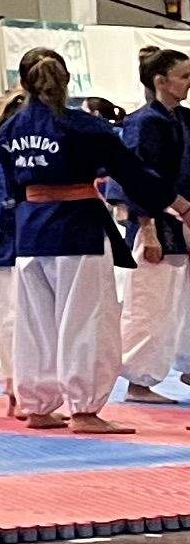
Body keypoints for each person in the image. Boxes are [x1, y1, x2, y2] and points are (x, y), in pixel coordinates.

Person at [0, 48, 134, 432]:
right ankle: (84, 410)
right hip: (78, 229)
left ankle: (37, 406)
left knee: (35, 324)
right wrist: (174, 203)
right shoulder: (85, 126)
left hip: (31, 232)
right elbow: (129, 170)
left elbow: (9, 187)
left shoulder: (10, 127)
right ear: (67, 79)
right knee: (85, 320)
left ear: (23, 83)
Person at [116, 47, 187, 405]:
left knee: (183, 303)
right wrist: (147, 229)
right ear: (161, 81)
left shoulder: (182, 120)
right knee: (149, 303)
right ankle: (138, 382)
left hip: (183, 219)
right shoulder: (142, 123)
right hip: (155, 222)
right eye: (184, 76)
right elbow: (137, 177)